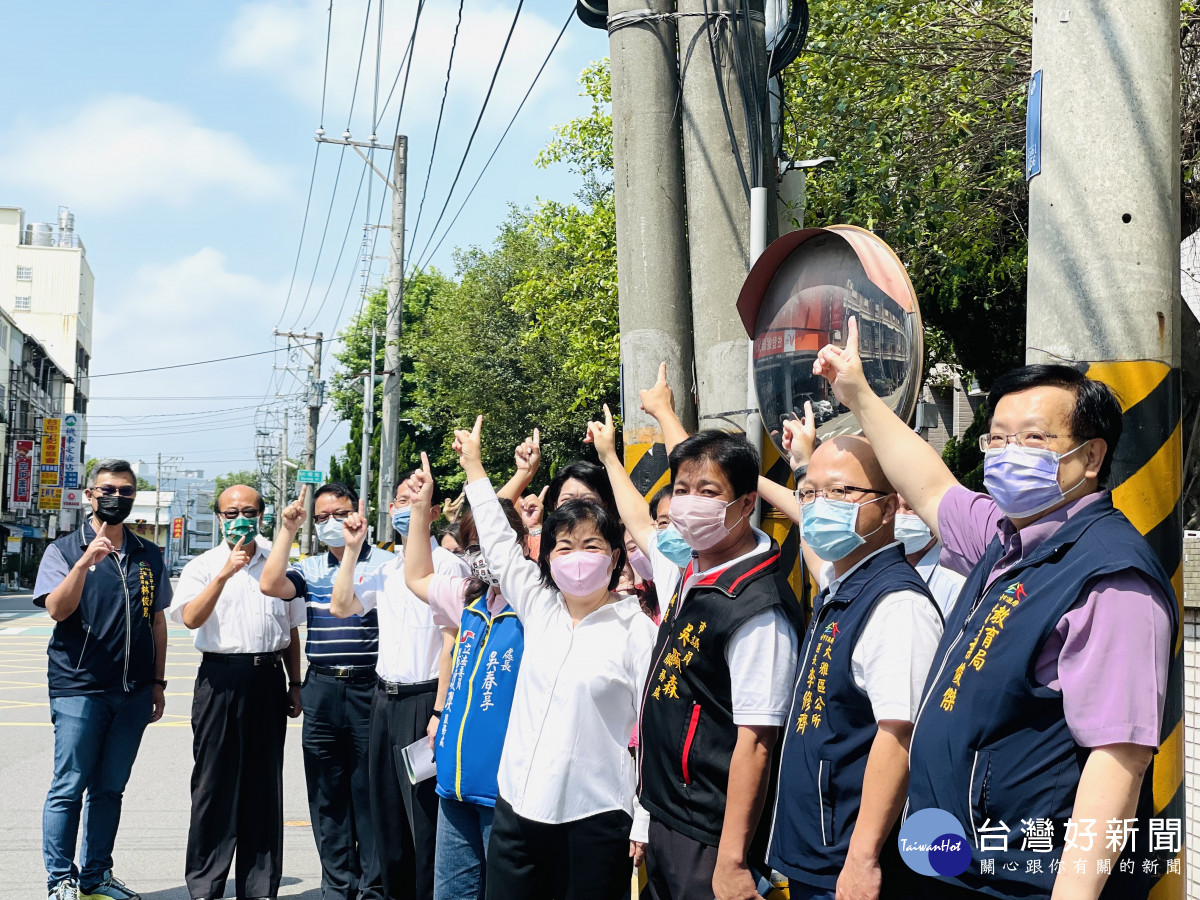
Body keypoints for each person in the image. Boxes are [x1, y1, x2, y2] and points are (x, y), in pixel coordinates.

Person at [812, 318, 1177, 899]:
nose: (1009, 455)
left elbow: (1118, 762)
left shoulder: (1111, 579)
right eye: (998, 438)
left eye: (1035, 439)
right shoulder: (1007, 539)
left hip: (1022, 882)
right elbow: (930, 486)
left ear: (1090, 458)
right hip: (952, 865)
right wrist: (857, 392)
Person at [588, 399, 801, 900]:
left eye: (708, 492)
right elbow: (640, 520)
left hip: (710, 835)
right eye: (681, 490)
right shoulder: (692, 570)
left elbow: (755, 741)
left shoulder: (757, 608)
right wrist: (611, 456)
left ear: (746, 503)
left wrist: (730, 861)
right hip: (667, 815)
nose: (688, 503)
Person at [451, 416, 657, 900]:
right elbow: (500, 547)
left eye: (592, 545)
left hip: (596, 817)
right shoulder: (539, 605)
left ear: (615, 558)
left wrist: (643, 817)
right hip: (517, 808)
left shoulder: (636, 630)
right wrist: (475, 468)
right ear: (548, 559)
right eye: (564, 546)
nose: (577, 557)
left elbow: (652, 730)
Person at [766, 434, 943, 900]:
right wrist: (799, 465)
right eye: (811, 493)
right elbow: (816, 550)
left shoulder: (896, 604)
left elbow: (899, 736)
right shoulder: (842, 583)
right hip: (819, 855)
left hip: (849, 864)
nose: (822, 505)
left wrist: (862, 859)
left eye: (842, 492)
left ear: (889, 509)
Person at [35, 459, 170, 900]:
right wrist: (84, 564)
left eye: (126, 491)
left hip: (131, 692)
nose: (117, 497)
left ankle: (96, 875)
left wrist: (157, 682)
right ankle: (60, 879)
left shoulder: (148, 554)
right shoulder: (64, 550)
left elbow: (157, 621)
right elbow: (57, 610)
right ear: (89, 495)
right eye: (108, 489)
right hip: (79, 688)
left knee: (110, 788)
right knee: (69, 785)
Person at [329, 478, 469, 900]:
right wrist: (352, 550)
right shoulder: (385, 567)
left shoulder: (446, 565)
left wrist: (440, 710)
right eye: (401, 502)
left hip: (426, 700)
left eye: (416, 501)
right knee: (386, 814)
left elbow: (453, 642)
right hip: (384, 700)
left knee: (424, 819)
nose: (407, 508)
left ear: (430, 508)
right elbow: (341, 606)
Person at [399, 460, 529, 900]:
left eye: (490, 543)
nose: (481, 556)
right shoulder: (469, 601)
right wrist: (420, 512)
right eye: (472, 546)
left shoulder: (539, 607)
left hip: (505, 792)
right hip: (454, 780)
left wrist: (477, 467)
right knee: (451, 893)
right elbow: (417, 575)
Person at [259, 483, 394, 900]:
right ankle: (338, 886)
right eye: (321, 518)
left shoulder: (388, 565)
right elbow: (270, 584)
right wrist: (287, 528)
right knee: (326, 792)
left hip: (369, 685)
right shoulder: (311, 567)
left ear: (359, 512)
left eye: (339, 513)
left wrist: (353, 549)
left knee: (368, 791)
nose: (331, 523)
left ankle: (373, 887)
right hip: (321, 686)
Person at [170, 484, 304, 900]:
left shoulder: (278, 564)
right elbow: (190, 618)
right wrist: (226, 572)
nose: (240, 519)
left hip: (267, 679)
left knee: (264, 785)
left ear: (263, 515)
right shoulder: (203, 565)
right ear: (220, 517)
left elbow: (291, 630)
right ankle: (206, 885)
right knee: (214, 785)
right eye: (231, 513)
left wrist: (295, 683)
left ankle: (259, 885)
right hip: (220, 680)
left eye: (249, 511)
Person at [765, 400, 966, 620]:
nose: (900, 516)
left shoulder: (921, 599)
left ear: (885, 507)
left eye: (839, 491)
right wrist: (803, 468)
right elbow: (811, 517)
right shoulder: (850, 576)